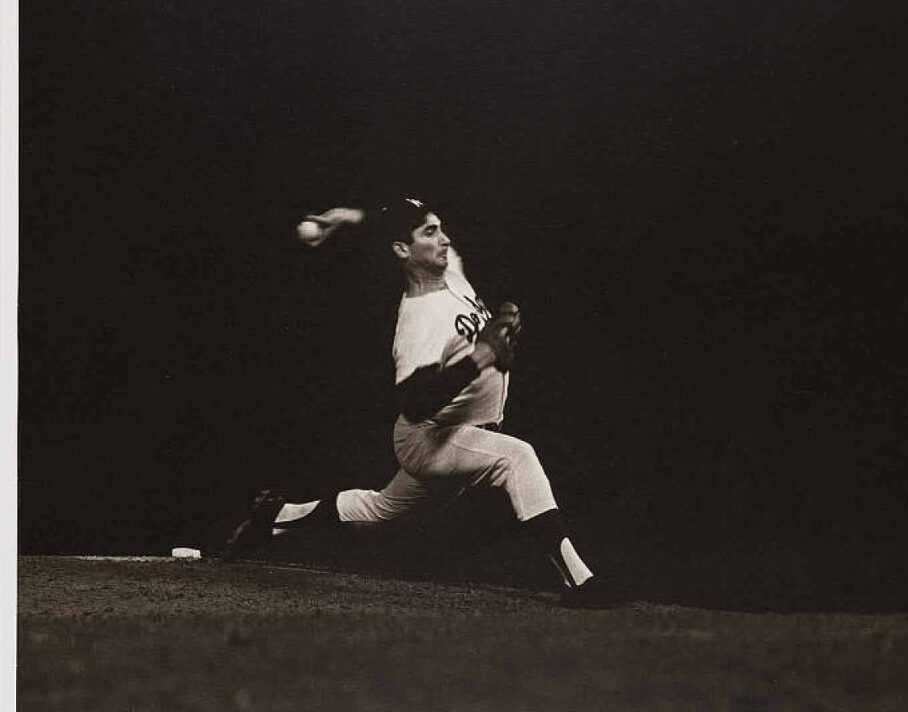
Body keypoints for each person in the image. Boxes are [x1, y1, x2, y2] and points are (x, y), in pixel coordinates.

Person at [221, 198, 617, 608]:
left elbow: (392, 221)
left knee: (380, 511)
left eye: (441, 228)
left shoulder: (451, 273)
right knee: (517, 457)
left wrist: (349, 217)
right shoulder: (417, 320)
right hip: (429, 438)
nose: (444, 239)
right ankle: (580, 582)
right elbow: (413, 402)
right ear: (402, 250)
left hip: (460, 440)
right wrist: (480, 358)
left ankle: (276, 518)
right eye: (430, 233)